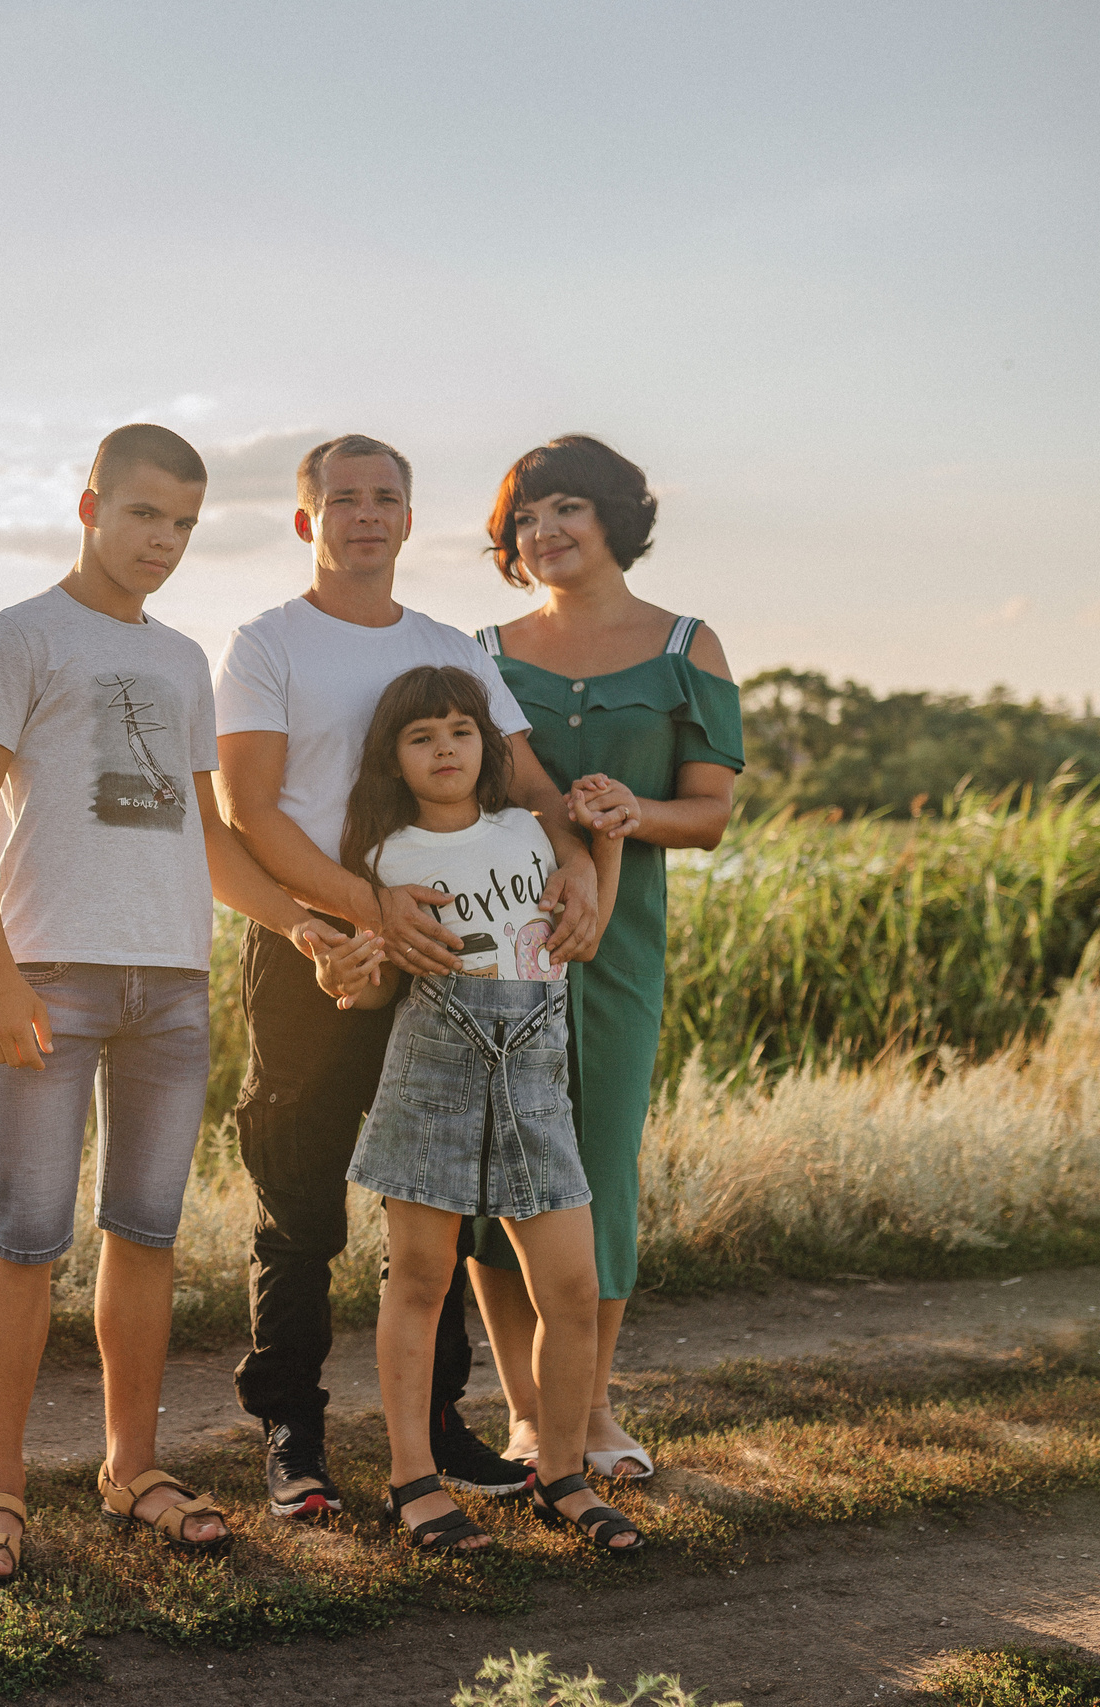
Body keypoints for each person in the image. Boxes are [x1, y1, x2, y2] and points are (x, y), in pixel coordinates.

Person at [0, 423, 344, 1582]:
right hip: (50, 979)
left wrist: (300, 922)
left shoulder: (179, 661)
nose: (160, 542)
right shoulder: (17, 637)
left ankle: (130, 1470)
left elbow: (202, 836)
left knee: (147, 1234)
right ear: (90, 508)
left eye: (182, 525)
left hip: (172, 985)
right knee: (24, 1238)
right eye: (143, 516)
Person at [214, 434, 604, 1523]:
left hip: (457, 970)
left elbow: (526, 780)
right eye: (343, 500)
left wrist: (574, 859)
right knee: (298, 1205)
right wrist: (361, 912)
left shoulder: (448, 648)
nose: (366, 515)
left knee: (440, 1201)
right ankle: (291, 1434)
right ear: (308, 521)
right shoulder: (266, 643)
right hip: (320, 949)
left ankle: (436, 1427)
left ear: (407, 517)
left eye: (387, 497)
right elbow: (249, 810)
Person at [307, 665, 641, 1554]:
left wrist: (605, 837)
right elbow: (375, 996)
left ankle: (561, 1474)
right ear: (394, 758)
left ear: (488, 744)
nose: (445, 747)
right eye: (422, 736)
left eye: (461, 729)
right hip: (433, 1079)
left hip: (535, 1080)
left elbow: (588, 930)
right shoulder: (379, 858)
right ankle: (413, 1480)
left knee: (572, 1286)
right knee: (419, 1280)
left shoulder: (533, 832)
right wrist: (345, 975)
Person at [464, 435, 743, 1483]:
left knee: (596, 1166)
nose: (545, 532)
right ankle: (529, 1415)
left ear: (615, 518)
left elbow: (709, 814)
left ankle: (590, 1406)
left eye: (567, 509)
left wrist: (635, 812)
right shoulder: (481, 653)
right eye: (526, 519)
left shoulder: (686, 645)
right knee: (503, 1169)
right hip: (496, 942)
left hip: (619, 950)